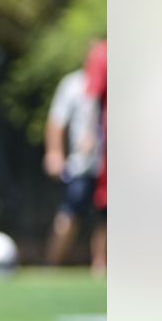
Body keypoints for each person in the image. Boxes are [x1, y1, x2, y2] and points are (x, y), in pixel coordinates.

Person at [43, 66, 103, 269]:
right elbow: (56, 121)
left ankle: (100, 266)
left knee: (106, 218)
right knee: (70, 213)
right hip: (83, 165)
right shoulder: (74, 84)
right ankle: (51, 265)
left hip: (109, 167)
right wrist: (55, 152)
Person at [81, 39, 107, 273]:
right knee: (105, 202)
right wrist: (89, 132)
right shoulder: (102, 54)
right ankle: (100, 262)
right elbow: (92, 99)